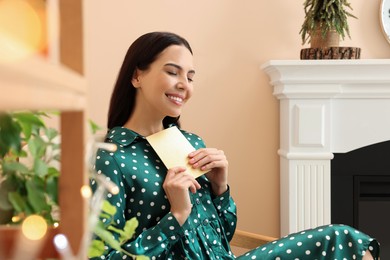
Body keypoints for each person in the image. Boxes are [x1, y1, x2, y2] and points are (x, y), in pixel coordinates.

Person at [91, 31, 380, 259]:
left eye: (190, 77)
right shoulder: (111, 157)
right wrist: (176, 216)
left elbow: (223, 236)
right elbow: (101, 257)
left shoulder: (189, 143)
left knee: (345, 240)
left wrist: (220, 189)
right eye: (173, 71)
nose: (184, 84)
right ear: (136, 75)